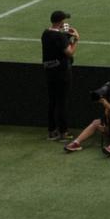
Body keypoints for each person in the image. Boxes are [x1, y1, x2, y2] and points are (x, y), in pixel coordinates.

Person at [64, 75, 110, 156]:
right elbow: (108, 116)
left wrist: (108, 105)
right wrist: (106, 126)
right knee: (96, 122)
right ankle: (76, 143)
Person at [42, 11, 80, 141]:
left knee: (52, 101)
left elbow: (55, 43)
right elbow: (69, 52)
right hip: (62, 72)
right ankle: (64, 133)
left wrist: (65, 36)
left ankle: (52, 131)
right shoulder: (60, 37)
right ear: (60, 22)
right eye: (64, 20)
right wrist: (75, 40)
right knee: (62, 102)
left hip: (49, 72)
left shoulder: (45, 34)